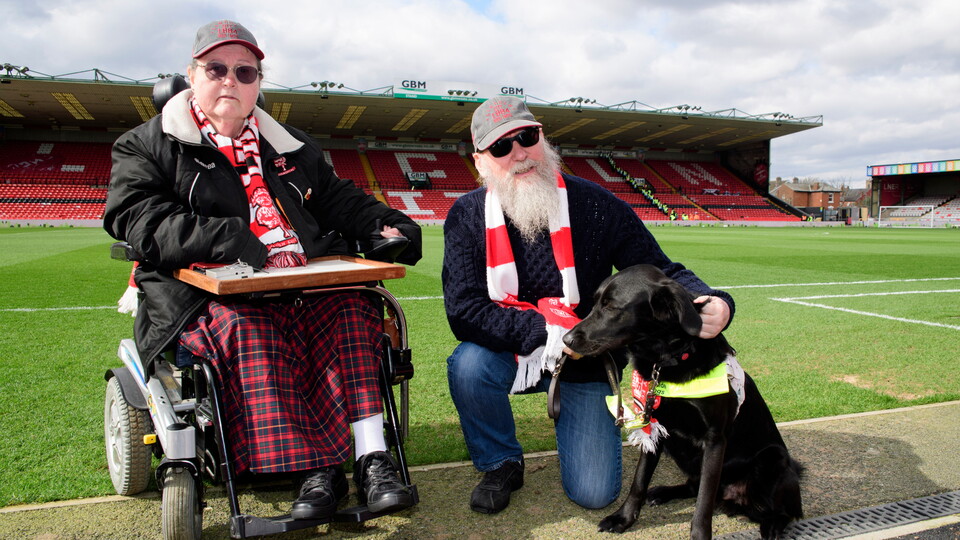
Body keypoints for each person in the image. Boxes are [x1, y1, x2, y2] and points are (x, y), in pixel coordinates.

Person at [103, 20, 422, 520]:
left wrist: (390, 225)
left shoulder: (290, 144)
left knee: (353, 308)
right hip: (206, 297)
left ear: (258, 82)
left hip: (304, 282)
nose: (230, 80)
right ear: (192, 74)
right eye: (216, 68)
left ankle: (371, 456)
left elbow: (339, 200)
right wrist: (227, 237)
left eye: (245, 71)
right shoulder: (146, 145)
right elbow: (136, 218)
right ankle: (316, 469)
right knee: (250, 325)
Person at [442, 96, 734, 514]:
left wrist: (716, 301)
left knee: (595, 494)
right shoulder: (466, 216)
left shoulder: (595, 204)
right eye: (501, 147)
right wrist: (545, 334)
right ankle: (500, 462)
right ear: (481, 160)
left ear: (542, 137)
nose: (519, 153)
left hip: (588, 357)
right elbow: (464, 310)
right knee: (468, 365)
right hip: (512, 351)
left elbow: (659, 269)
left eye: (526, 137)